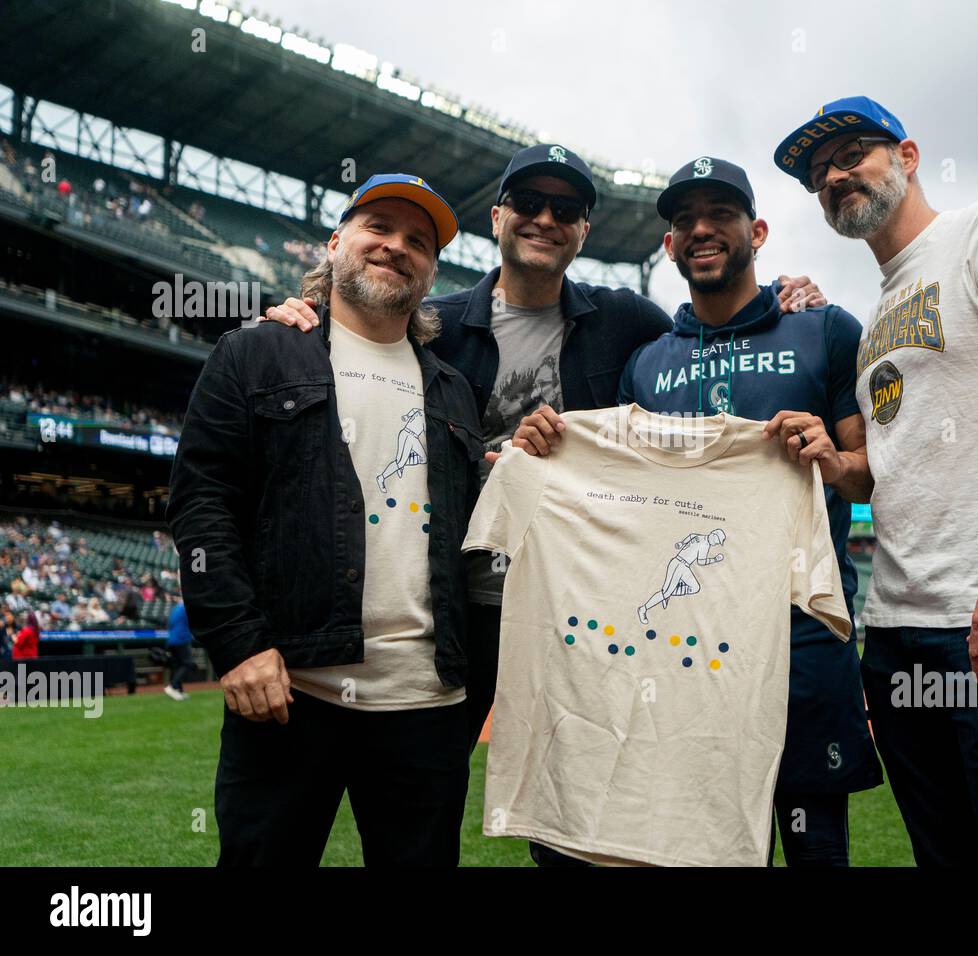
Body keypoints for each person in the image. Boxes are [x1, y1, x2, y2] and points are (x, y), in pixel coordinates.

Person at [260, 144, 823, 773]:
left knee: (576, 783)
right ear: (497, 218)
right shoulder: (431, 325)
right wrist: (302, 312)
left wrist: (782, 300)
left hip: (574, 604)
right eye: (528, 204)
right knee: (430, 783)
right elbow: (353, 327)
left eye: (566, 209)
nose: (545, 220)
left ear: (584, 230)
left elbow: (702, 336)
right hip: (457, 604)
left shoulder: (625, 319)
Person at [509, 157, 882, 867]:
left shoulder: (827, 330)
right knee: (694, 850)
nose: (701, 230)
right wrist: (545, 449)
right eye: (683, 222)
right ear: (669, 247)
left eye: (720, 215)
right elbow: (621, 502)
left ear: (758, 230)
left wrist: (832, 461)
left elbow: (871, 481)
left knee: (815, 851)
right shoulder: (646, 362)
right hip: (689, 650)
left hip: (801, 637)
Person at [774, 95, 978, 865]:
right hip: (895, 635)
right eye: (819, 173)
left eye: (852, 154)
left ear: (908, 157)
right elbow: (881, 480)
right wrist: (832, 456)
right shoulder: (875, 317)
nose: (834, 176)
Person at [168, 173, 481, 867]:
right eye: (380, 227)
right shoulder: (255, 352)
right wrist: (238, 644)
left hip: (426, 704)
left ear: (430, 273)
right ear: (336, 242)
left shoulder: (454, 390)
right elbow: (202, 502)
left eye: (418, 241)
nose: (397, 246)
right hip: (290, 691)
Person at [164, 594, 194, 701]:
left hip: (172, 639)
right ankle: (173, 686)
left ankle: (178, 690)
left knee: (178, 665)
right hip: (181, 639)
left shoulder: (176, 608)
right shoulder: (185, 608)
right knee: (187, 663)